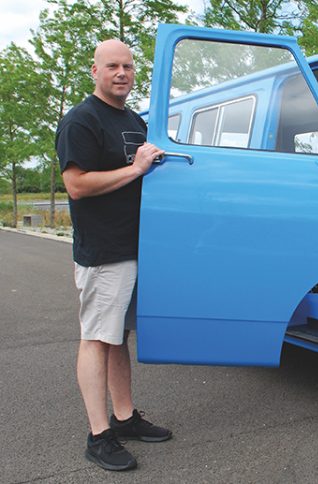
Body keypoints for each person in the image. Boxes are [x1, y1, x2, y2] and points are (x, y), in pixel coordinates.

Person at [56, 39, 171, 472]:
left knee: (117, 337)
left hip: (136, 247)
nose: (122, 73)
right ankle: (98, 434)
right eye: (112, 66)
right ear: (95, 71)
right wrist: (136, 168)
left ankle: (124, 418)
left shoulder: (133, 120)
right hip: (104, 252)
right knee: (96, 339)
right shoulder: (81, 121)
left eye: (127, 66)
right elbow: (77, 185)